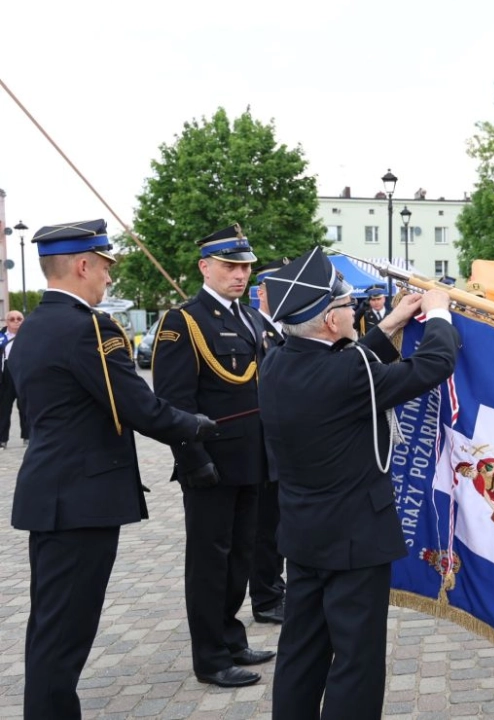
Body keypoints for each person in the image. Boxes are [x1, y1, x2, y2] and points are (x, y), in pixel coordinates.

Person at [9, 219, 217, 719]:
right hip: (80, 501)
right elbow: (138, 406)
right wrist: (196, 425)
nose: (108, 279)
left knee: (52, 627)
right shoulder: (89, 327)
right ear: (83, 265)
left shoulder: (36, 323)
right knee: (65, 633)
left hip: (53, 494)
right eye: (104, 267)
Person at [258, 246, 459, 720]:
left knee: (301, 652)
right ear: (330, 320)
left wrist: (391, 323)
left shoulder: (276, 363)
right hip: (354, 538)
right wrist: (439, 316)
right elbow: (431, 366)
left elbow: (347, 372)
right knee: (356, 660)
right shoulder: (348, 372)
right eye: (348, 306)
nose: (355, 310)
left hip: (304, 535)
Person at [153, 223, 276, 688]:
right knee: (209, 562)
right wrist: (193, 461)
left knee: (240, 555)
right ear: (205, 267)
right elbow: (173, 402)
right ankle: (209, 657)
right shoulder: (183, 321)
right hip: (211, 464)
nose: (239, 274)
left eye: (244, 267)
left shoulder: (248, 317)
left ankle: (230, 636)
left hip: (252, 459)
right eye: (229, 266)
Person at [248, 258, 290, 625]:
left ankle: (274, 587)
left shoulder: (283, 331)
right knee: (264, 528)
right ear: (262, 292)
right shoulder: (253, 329)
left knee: (278, 523)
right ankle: (265, 596)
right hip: (259, 447)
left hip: (283, 446)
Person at [0, 310, 29, 448]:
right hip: (6, 375)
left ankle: (27, 436)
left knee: (25, 407)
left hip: (24, 372)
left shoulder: (29, 336)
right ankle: (2, 439)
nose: (16, 321)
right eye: (12, 319)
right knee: (4, 408)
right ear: (7, 322)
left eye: (19, 319)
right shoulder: (1, 337)